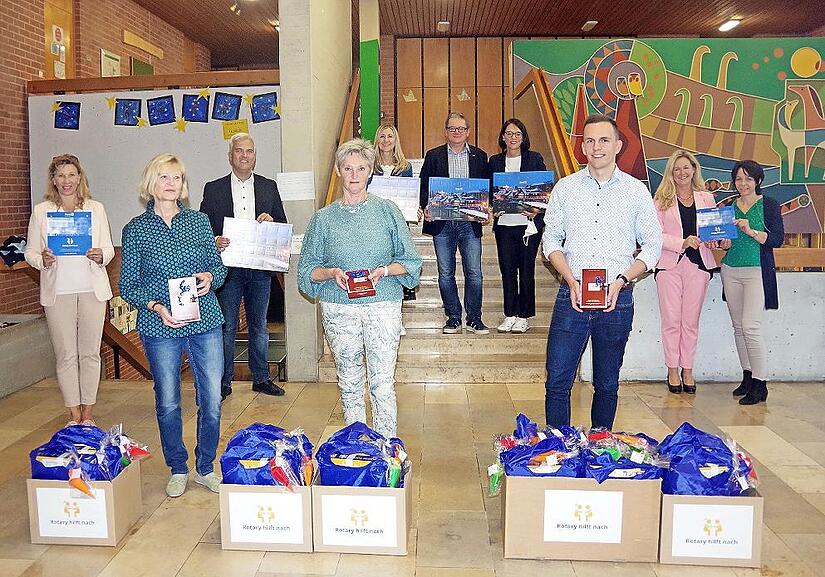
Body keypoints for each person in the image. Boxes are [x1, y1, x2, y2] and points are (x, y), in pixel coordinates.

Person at [542, 114, 662, 429]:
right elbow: (550, 241)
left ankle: (599, 448)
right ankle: (559, 451)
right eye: (590, 141)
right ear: (582, 146)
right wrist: (570, 279)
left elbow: (652, 247)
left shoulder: (636, 192)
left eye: (604, 140)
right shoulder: (565, 189)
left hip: (617, 299)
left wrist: (622, 280)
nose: (597, 148)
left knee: (607, 383)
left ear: (618, 146)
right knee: (557, 381)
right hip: (573, 294)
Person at [298, 139, 421, 439]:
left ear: (370, 172)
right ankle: (359, 448)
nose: (354, 174)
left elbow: (412, 263)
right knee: (350, 383)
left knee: (382, 383)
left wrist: (385, 270)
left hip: (382, 307)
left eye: (361, 168)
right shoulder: (322, 219)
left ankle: (387, 450)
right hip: (339, 310)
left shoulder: (388, 211)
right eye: (348, 168)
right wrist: (331, 272)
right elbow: (306, 270)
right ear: (339, 171)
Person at [120, 153, 227, 497]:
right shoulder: (135, 229)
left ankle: (206, 466)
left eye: (177, 177)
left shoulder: (198, 221)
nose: (171, 183)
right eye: (164, 177)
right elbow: (128, 285)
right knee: (167, 400)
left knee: (210, 398)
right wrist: (155, 306)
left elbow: (218, 267)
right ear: (151, 183)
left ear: (183, 185)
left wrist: (210, 278)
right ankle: (178, 467)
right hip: (159, 325)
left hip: (205, 320)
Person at [25, 154, 114, 427]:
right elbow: (30, 251)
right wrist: (43, 259)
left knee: (89, 353)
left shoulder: (95, 209)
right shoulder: (41, 212)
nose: (67, 181)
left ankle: (88, 414)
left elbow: (109, 249)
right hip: (58, 291)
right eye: (61, 175)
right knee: (66, 355)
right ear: (53, 180)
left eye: (71, 175)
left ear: (80, 177)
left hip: (92, 290)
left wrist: (101, 255)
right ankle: (73, 414)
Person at [200, 133, 288, 401]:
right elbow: (203, 227)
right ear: (230, 155)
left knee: (259, 326)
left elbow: (283, 224)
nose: (244, 155)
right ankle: (224, 382)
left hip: (259, 268)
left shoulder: (268, 186)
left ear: (255, 156)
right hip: (227, 269)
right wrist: (214, 239)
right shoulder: (212, 188)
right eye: (239, 151)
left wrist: (271, 221)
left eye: (249, 151)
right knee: (226, 327)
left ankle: (261, 379)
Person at [653, 150, 719, 394]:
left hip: (699, 266)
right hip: (670, 265)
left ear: (694, 170)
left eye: (686, 168)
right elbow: (654, 235)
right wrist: (681, 242)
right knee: (671, 321)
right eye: (677, 168)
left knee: (690, 322)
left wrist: (715, 241)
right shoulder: (661, 200)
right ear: (671, 172)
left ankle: (687, 369)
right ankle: (672, 369)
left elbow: (714, 230)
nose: (682, 172)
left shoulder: (706, 198)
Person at [419, 112, 490, 335]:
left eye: (460, 129)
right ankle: (453, 317)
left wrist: (486, 207)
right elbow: (424, 186)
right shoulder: (433, 155)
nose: (456, 132)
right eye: (452, 128)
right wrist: (426, 206)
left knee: (474, 273)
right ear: (446, 131)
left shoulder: (480, 156)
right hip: (442, 223)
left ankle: (474, 318)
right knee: (445, 273)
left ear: (468, 131)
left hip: (470, 223)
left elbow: (485, 187)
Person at [720, 160, 784, 405]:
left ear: (758, 180)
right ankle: (747, 376)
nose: (743, 183)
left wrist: (751, 231)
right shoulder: (728, 206)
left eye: (748, 178)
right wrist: (723, 242)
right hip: (730, 269)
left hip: (757, 270)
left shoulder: (768, 205)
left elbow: (776, 239)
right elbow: (723, 239)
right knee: (738, 326)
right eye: (738, 179)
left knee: (751, 326)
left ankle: (761, 382)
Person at [488, 118, 547, 334]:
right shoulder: (494, 161)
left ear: (523, 138)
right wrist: (493, 207)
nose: (513, 138)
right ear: (503, 137)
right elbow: (489, 193)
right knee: (507, 271)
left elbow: (543, 192)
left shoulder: (534, 159)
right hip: (504, 225)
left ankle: (524, 316)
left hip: (528, 225)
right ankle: (510, 314)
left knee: (527, 271)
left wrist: (538, 209)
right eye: (509, 133)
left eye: (517, 134)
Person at [372, 123, 416, 307]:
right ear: (377, 140)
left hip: (398, 224)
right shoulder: (369, 166)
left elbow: (410, 196)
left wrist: (415, 207)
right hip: (374, 223)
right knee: (378, 265)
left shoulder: (406, 168)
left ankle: (398, 315)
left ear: (395, 140)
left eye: (390, 136)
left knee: (397, 266)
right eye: (382, 136)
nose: (386, 140)